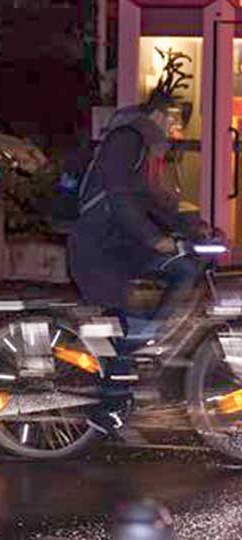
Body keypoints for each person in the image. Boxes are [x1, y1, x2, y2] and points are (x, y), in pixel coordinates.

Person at [68, 89, 210, 435]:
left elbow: (155, 201)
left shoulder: (145, 150)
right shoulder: (126, 140)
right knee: (122, 322)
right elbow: (121, 201)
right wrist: (156, 240)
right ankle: (111, 404)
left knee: (186, 267)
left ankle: (145, 338)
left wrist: (196, 228)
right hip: (98, 247)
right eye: (175, 119)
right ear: (158, 115)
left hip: (121, 244)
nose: (177, 128)